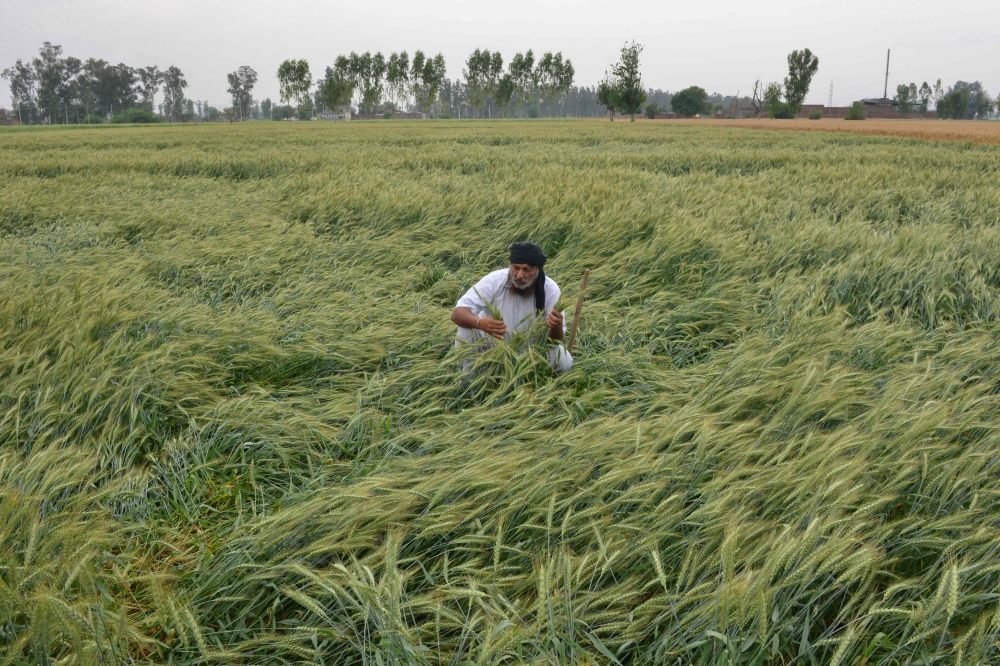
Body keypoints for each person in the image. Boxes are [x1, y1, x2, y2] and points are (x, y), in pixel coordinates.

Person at [451, 241, 573, 373]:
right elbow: (457, 313)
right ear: (510, 265)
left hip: (531, 352)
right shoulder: (494, 281)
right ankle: (467, 379)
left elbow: (554, 342)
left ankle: (536, 381)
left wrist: (556, 325)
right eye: (516, 268)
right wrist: (479, 323)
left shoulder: (550, 290)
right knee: (466, 329)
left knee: (564, 360)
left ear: (538, 269)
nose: (520, 275)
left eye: (527, 270)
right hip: (493, 345)